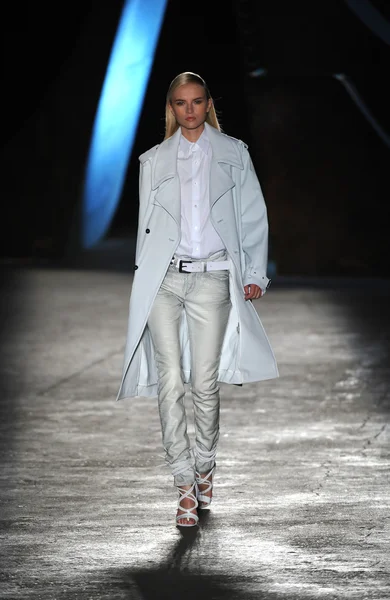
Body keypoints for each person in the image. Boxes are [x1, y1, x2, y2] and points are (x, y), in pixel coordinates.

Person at [116, 71, 279, 527]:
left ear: (208, 104)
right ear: (172, 108)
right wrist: (141, 281)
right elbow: (145, 229)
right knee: (170, 384)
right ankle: (184, 482)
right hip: (164, 281)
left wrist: (254, 274)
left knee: (204, 384)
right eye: (180, 103)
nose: (189, 109)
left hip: (213, 280)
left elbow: (253, 215)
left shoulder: (234, 154)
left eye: (197, 101)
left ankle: (205, 465)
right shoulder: (153, 160)